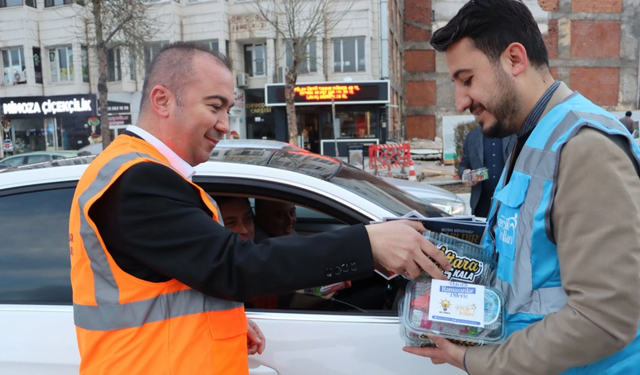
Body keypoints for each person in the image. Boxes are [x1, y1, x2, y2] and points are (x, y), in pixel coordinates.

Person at [68, 41, 450, 375]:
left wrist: (217, 318)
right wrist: (367, 243)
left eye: (228, 109)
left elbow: (182, 276)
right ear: (162, 100)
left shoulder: (140, 172)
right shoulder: (137, 180)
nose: (225, 125)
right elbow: (233, 265)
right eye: (214, 106)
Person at [403, 0, 640, 374]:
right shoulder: (531, 139)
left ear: (515, 59)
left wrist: (475, 360)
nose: (462, 100)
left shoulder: (585, 148)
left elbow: (604, 317)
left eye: (467, 80)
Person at [458, 127, 516, 217]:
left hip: (508, 199)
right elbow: (463, 165)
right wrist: (464, 174)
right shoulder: (472, 136)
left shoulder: (512, 134)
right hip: (482, 201)